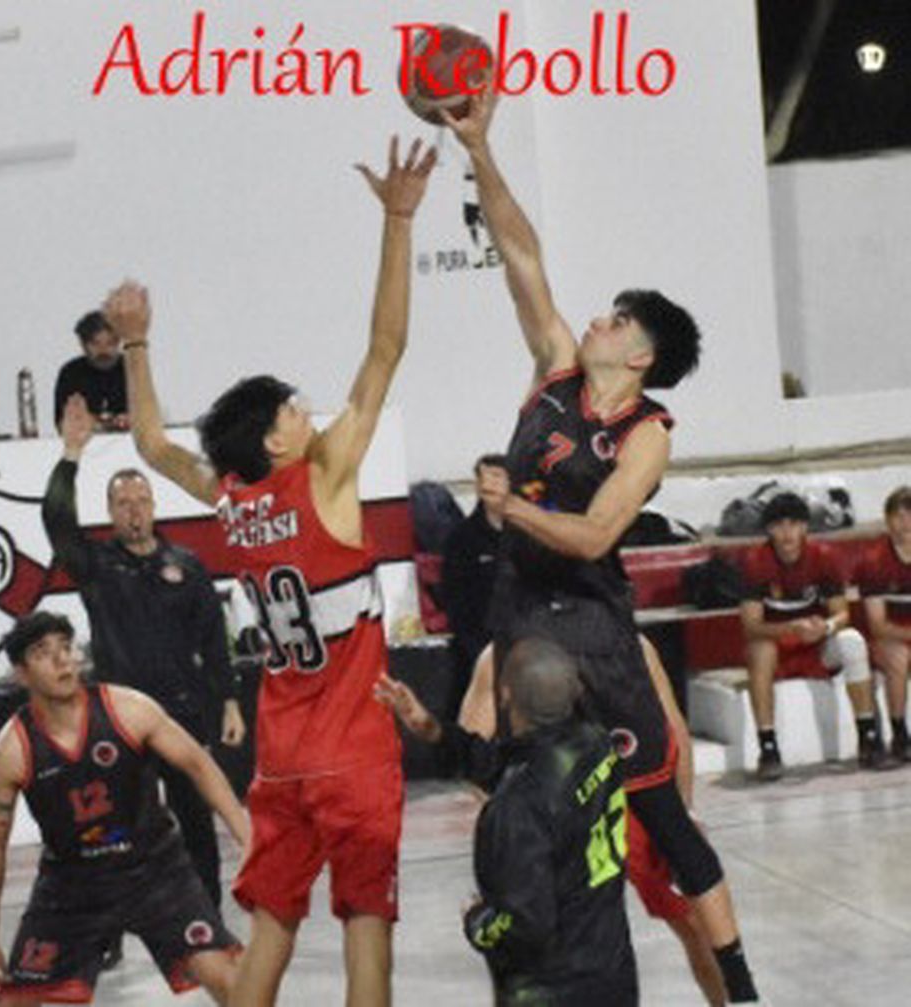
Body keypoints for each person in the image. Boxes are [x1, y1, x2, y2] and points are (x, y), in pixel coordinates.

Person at [440, 87, 764, 1004]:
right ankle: (535, 966)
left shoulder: (649, 431)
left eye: (617, 319)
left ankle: (738, 985)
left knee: (663, 815)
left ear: (642, 355)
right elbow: (520, 252)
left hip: (588, 625)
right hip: (523, 619)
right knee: (514, 806)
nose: (596, 319)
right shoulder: (554, 370)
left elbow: (594, 534)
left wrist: (510, 509)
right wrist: (481, 148)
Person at [107, 136, 437, 1007]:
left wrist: (138, 345)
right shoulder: (326, 476)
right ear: (277, 439)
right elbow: (387, 344)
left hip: (281, 757)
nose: (308, 409)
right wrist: (398, 221)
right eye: (294, 407)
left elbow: (148, 442)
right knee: (369, 932)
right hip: (355, 753)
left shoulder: (227, 499)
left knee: (272, 942)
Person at [387, 633, 726, 1006]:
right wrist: (432, 730)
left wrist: (478, 923)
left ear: (505, 695)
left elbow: (526, 923)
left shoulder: (519, 807)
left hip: (555, 988)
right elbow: (498, 761)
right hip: (611, 969)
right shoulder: (597, 747)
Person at [0, 611, 247, 1006]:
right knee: (15, 1002)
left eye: (66, 648)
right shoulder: (10, 750)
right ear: (21, 673)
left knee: (234, 983)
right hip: (72, 885)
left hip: (156, 870)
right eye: (42, 653)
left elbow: (198, 765)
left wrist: (247, 837)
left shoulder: (128, 708)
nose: (62, 660)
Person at [42, 394, 245, 911]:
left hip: (180, 715)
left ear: (154, 506)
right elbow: (56, 522)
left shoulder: (188, 565)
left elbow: (213, 638)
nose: (133, 511)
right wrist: (70, 454)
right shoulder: (95, 565)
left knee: (194, 817)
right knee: (114, 827)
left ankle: (207, 911)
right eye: (123, 504)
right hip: (117, 720)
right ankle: (109, 928)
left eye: (141, 501)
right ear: (111, 512)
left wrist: (229, 700)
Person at [740, 491, 889, 781]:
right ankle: (768, 748)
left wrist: (826, 628)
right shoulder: (755, 561)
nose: (787, 533)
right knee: (760, 650)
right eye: (779, 525)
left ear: (805, 527)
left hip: (816, 642)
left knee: (852, 641)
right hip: (777, 643)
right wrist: (791, 628)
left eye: (794, 524)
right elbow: (751, 626)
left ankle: (868, 737)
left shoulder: (824, 556)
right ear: (769, 530)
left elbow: (842, 613)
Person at [441, 453, 508, 711]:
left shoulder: (529, 533)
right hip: (476, 651)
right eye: (482, 477)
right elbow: (456, 603)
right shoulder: (461, 540)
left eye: (497, 476)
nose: (488, 484)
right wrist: (481, 654)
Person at [856, 486, 911, 760]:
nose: (906, 524)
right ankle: (900, 733)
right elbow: (877, 625)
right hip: (883, 639)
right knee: (898, 655)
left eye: (910, 515)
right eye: (898, 516)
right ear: (887, 521)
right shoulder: (874, 561)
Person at [54, 310, 129, 430]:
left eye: (110, 343)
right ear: (83, 345)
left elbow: (149, 413)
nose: (103, 350)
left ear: (119, 343)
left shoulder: (132, 369)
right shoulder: (70, 373)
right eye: (95, 343)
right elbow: (61, 422)